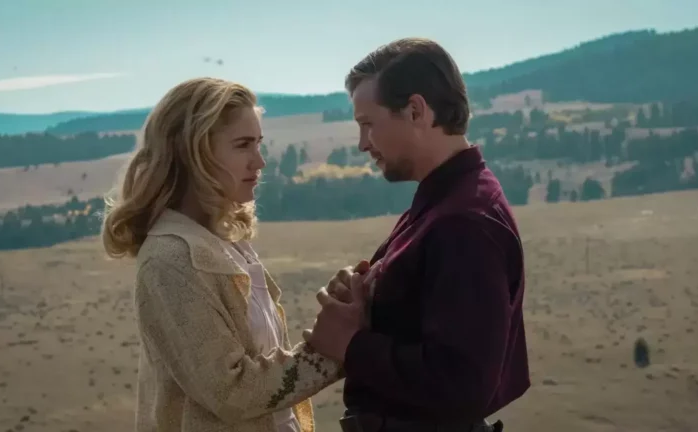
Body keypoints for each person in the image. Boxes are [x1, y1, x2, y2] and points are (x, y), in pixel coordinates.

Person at [302, 38, 531, 432]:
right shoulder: (446, 200)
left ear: (415, 111)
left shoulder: (465, 222)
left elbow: (462, 385)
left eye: (368, 124)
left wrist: (350, 344)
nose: (362, 144)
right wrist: (366, 302)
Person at [101, 77, 343, 432]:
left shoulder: (226, 243)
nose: (259, 161)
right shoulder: (170, 259)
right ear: (193, 153)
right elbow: (232, 392)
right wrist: (328, 352)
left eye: (259, 143)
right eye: (243, 145)